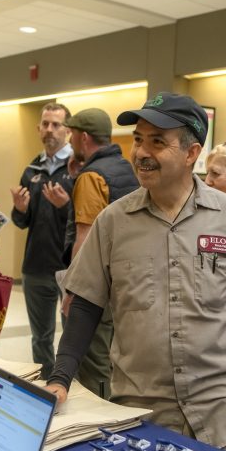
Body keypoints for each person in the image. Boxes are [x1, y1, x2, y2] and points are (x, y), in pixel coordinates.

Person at [46, 92, 226, 451]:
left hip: (224, 412)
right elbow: (84, 305)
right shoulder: (113, 222)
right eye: (138, 140)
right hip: (143, 410)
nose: (141, 153)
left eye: (157, 142)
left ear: (191, 153)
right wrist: (60, 379)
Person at [62, 108, 139, 398]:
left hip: (97, 289)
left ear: (83, 137)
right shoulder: (126, 168)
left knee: (94, 364)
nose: (69, 140)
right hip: (125, 281)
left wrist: (72, 291)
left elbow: (84, 237)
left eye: (71, 134)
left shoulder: (93, 177)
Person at [10, 102, 74, 379]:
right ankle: (46, 386)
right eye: (45, 124)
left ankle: (68, 385)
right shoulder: (31, 170)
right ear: (38, 129)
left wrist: (65, 206)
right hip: (35, 266)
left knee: (72, 337)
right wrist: (19, 210)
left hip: (68, 267)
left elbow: (84, 220)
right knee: (40, 338)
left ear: (68, 130)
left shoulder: (77, 169)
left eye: (56, 124)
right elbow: (22, 222)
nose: (50, 130)